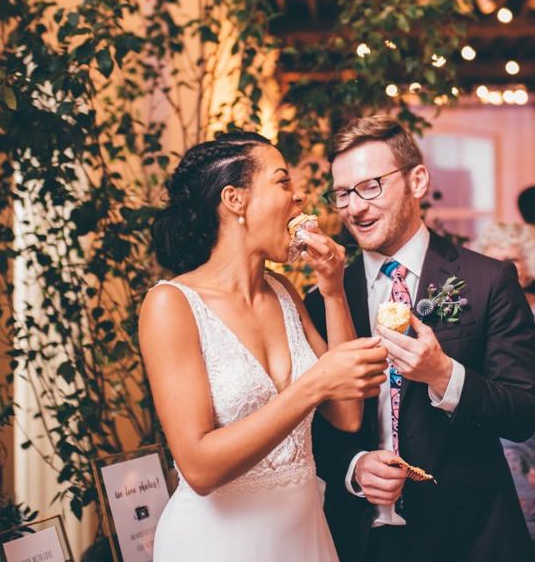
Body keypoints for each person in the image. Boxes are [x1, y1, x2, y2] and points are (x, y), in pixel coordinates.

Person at [140, 132, 388, 561]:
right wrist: (313, 385)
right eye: (282, 182)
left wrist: (332, 291)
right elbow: (199, 468)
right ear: (234, 200)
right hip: (217, 543)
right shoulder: (171, 305)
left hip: (304, 535)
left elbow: (348, 414)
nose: (300, 197)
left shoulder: (285, 292)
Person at [306, 115, 535, 562]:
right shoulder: (325, 298)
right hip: (360, 539)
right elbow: (308, 422)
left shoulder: (487, 280)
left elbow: (523, 413)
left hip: (471, 533)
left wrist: (445, 375)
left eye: (370, 185)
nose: (355, 207)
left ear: (417, 180)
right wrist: (352, 467)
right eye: (343, 194)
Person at [472, 221, 535, 540]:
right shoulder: (480, 318)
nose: (506, 269)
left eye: (514, 259)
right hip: (500, 431)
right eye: (497, 261)